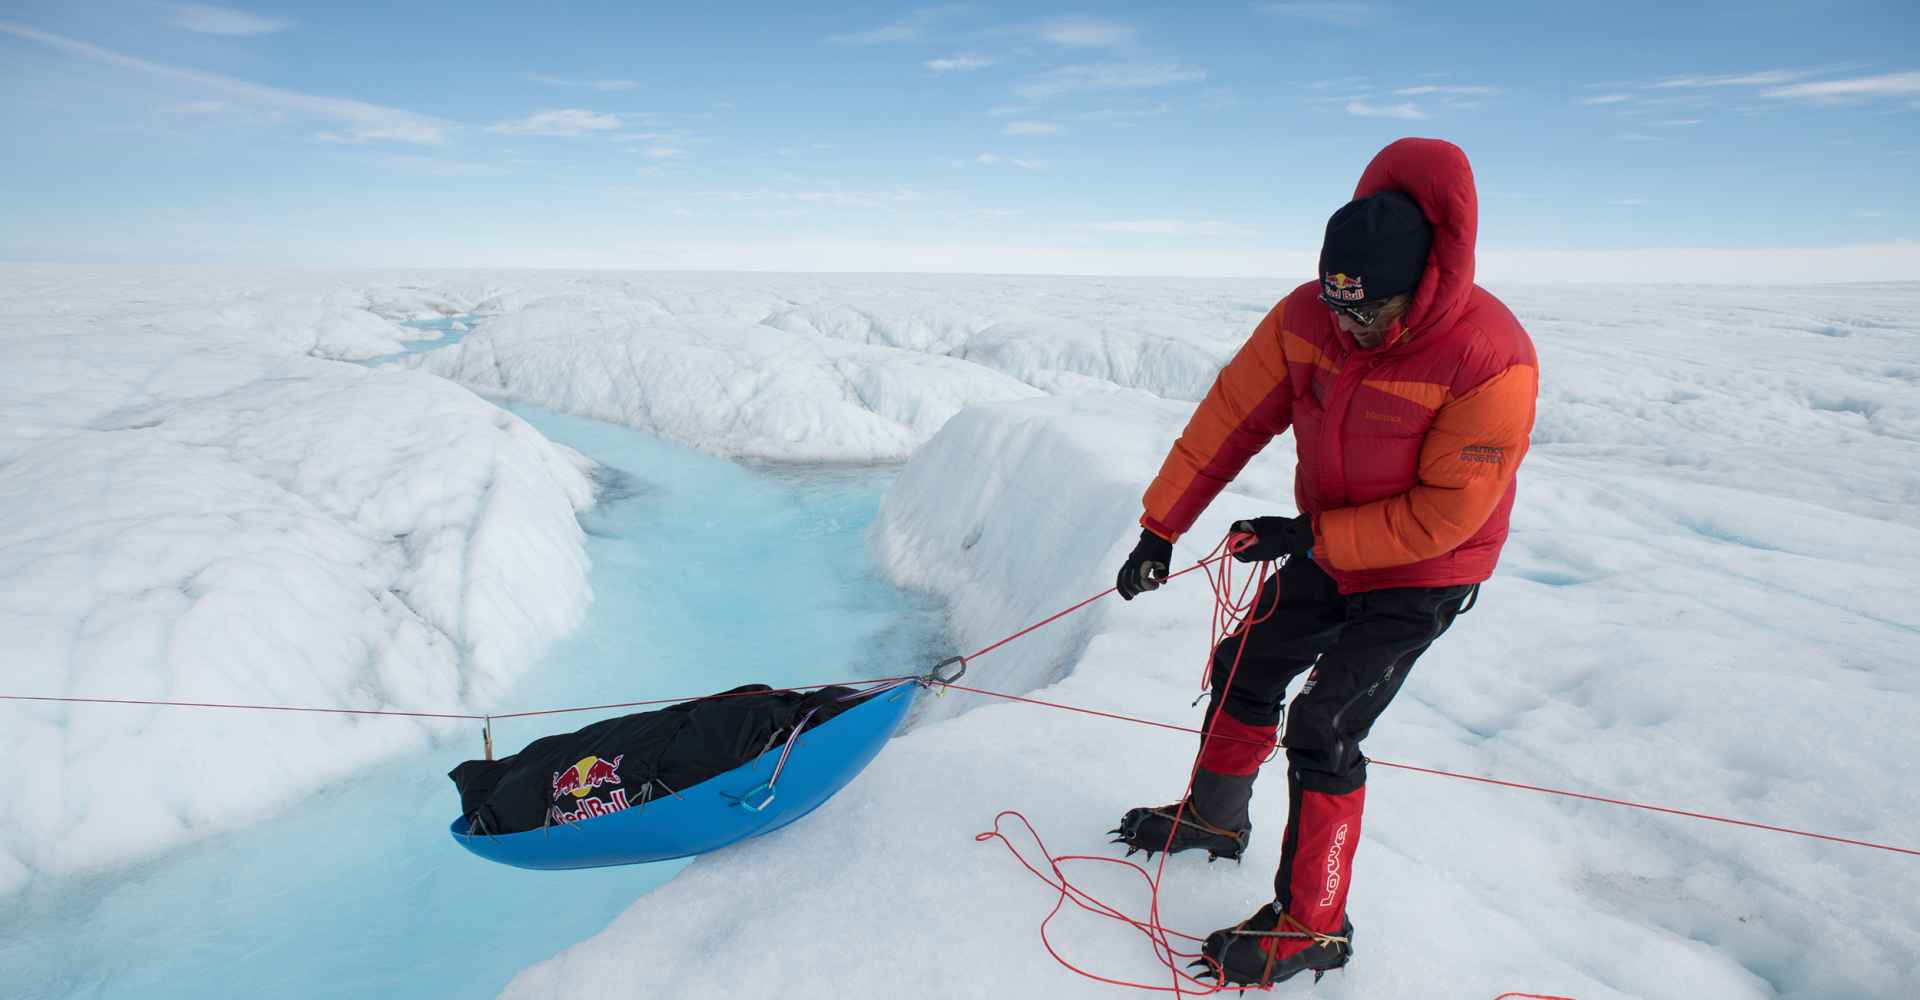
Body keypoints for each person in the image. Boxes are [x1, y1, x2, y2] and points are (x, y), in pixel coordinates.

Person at [1108, 137, 1539, 988]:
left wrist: (1307, 538)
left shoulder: (1491, 357)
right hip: (1334, 542)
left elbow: (1447, 515)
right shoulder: (1306, 315)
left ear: (1421, 284)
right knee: (1243, 666)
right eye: (1338, 307)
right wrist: (1162, 526)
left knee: (1326, 725)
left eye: (1367, 314)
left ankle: (1316, 926)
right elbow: (1229, 418)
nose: (1348, 327)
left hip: (1428, 571)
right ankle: (1213, 821)